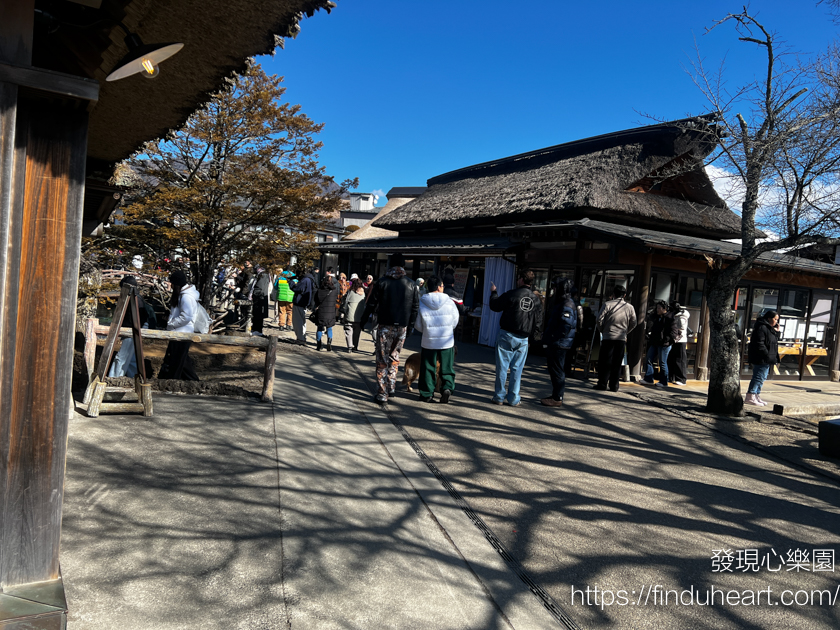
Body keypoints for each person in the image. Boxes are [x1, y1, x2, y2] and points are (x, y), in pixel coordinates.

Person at [361, 253, 419, 404]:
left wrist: (363, 320)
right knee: (395, 356)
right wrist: (410, 326)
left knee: (382, 359)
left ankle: (382, 393)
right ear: (403, 265)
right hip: (402, 326)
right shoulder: (412, 284)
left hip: (385, 325)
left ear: (390, 265)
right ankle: (391, 386)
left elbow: (371, 303)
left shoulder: (382, 282)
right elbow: (415, 308)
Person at [488, 268, 543, 406]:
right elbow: (538, 322)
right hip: (523, 338)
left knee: (502, 367)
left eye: (518, 278)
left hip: (507, 334)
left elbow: (495, 305)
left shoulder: (512, 294)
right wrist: (533, 338)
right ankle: (513, 398)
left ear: (521, 280)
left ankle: (499, 396)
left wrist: (493, 292)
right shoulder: (536, 300)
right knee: (517, 369)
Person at [414, 275, 460, 403]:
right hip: (447, 340)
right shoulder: (449, 302)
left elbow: (418, 324)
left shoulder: (422, 302)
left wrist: (427, 330)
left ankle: (427, 393)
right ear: (439, 287)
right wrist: (448, 329)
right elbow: (455, 320)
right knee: (447, 367)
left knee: (428, 367)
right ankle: (447, 388)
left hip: (429, 340)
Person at [540, 277, 577, 407]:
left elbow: (565, 325)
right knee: (555, 369)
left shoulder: (566, 304)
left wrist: (553, 336)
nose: (554, 290)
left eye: (556, 287)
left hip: (559, 343)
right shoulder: (564, 302)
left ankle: (557, 397)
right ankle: (556, 396)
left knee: (557, 370)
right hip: (559, 342)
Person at [158, 269, 200, 380]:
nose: (170, 285)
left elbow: (186, 316)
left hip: (182, 333)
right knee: (182, 361)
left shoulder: (186, 297)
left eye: (171, 283)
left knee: (177, 361)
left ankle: (176, 380)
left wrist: (172, 324)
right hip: (180, 332)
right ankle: (190, 381)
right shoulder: (183, 295)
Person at [594, 285, 637, 392]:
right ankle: (614, 385)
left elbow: (599, 319)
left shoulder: (607, 304)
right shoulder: (630, 307)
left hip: (608, 336)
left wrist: (603, 330)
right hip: (621, 338)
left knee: (605, 361)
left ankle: (602, 383)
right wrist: (625, 332)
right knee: (617, 363)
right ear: (624, 295)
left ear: (613, 294)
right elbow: (634, 323)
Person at [108, 276, 150, 378]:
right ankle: (134, 377)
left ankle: (114, 378)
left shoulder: (135, 300)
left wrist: (128, 329)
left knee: (122, 357)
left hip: (132, 330)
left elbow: (138, 318)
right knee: (132, 359)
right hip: (133, 329)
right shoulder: (136, 298)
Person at [746, 310, 781, 406]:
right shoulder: (762, 327)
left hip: (766, 357)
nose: (776, 322)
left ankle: (756, 395)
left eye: (777, 320)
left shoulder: (769, 328)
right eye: (775, 319)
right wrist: (767, 354)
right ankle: (750, 395)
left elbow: (773, 340)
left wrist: (777, 332)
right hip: (761, 357)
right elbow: (759, 343)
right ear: (769, 318)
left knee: (762, 377)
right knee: (758, 377)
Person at [642, 300, 678, 387]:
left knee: (662, 362)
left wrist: (667, 340)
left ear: (664, 309)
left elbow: (674, 332)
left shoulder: (670, 318)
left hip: (664, 343)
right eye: (657, 308)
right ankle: (648, 378)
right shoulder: (657, 317)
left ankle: (664, 381)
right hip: (655, 341)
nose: (657, 309)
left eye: (659, 308)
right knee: (649, 359)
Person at [288, 267, 318, 345]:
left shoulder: (305, 280)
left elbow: (298, 288)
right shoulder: (310, 279)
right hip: (304, 302)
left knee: (298, 322)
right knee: (302, 322)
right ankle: (302, 338)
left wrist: (291, 282)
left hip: (299, 302)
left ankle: (300, 338)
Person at [312, 276, 339, 351]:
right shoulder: (334, 291)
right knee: (329, 327)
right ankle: (329, 341)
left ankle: (319, 344)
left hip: (321, 311)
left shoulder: (319, 291)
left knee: (320, 328)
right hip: (330, 311)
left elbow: (316, 300)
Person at [339, 278, 366, 353]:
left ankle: (350, 346)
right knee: (357, 333)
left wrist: (344, 311)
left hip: (349, 315)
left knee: (348, 331)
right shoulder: (363, 293)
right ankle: (355, 346)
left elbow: (346, 302)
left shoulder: (350, 292)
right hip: (359, 316)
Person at [667, 301, 690, 386]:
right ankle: (672, 377)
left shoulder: (681, 316)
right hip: (675, 339)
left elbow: (681, 327)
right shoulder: (676, 315)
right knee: (672, 359)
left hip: (680, 340)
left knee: (680, 360)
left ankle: (681, 379)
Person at [250, 265, 271, 334]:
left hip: (259, 297)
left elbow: (260, 287)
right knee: (256, 313)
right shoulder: (262, 274)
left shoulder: (263, 275)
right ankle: (255, 328)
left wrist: (254, 293)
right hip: (259, 296)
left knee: (258, 314)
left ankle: (257, 330)